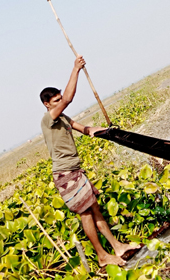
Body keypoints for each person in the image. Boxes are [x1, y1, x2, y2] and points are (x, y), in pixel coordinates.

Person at [40, 56, 140, 267]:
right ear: (47, 104)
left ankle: (117, 247)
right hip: (65, 175)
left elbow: (84, 129)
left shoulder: (64, 118)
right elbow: (68, 98)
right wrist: (75, 69)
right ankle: (102, 256)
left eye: (59, 100)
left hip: (75, 170)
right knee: (85, 213)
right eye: (56, 101)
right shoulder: (49, 118)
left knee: (94, 209)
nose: (60, 103)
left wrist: (107, 132)